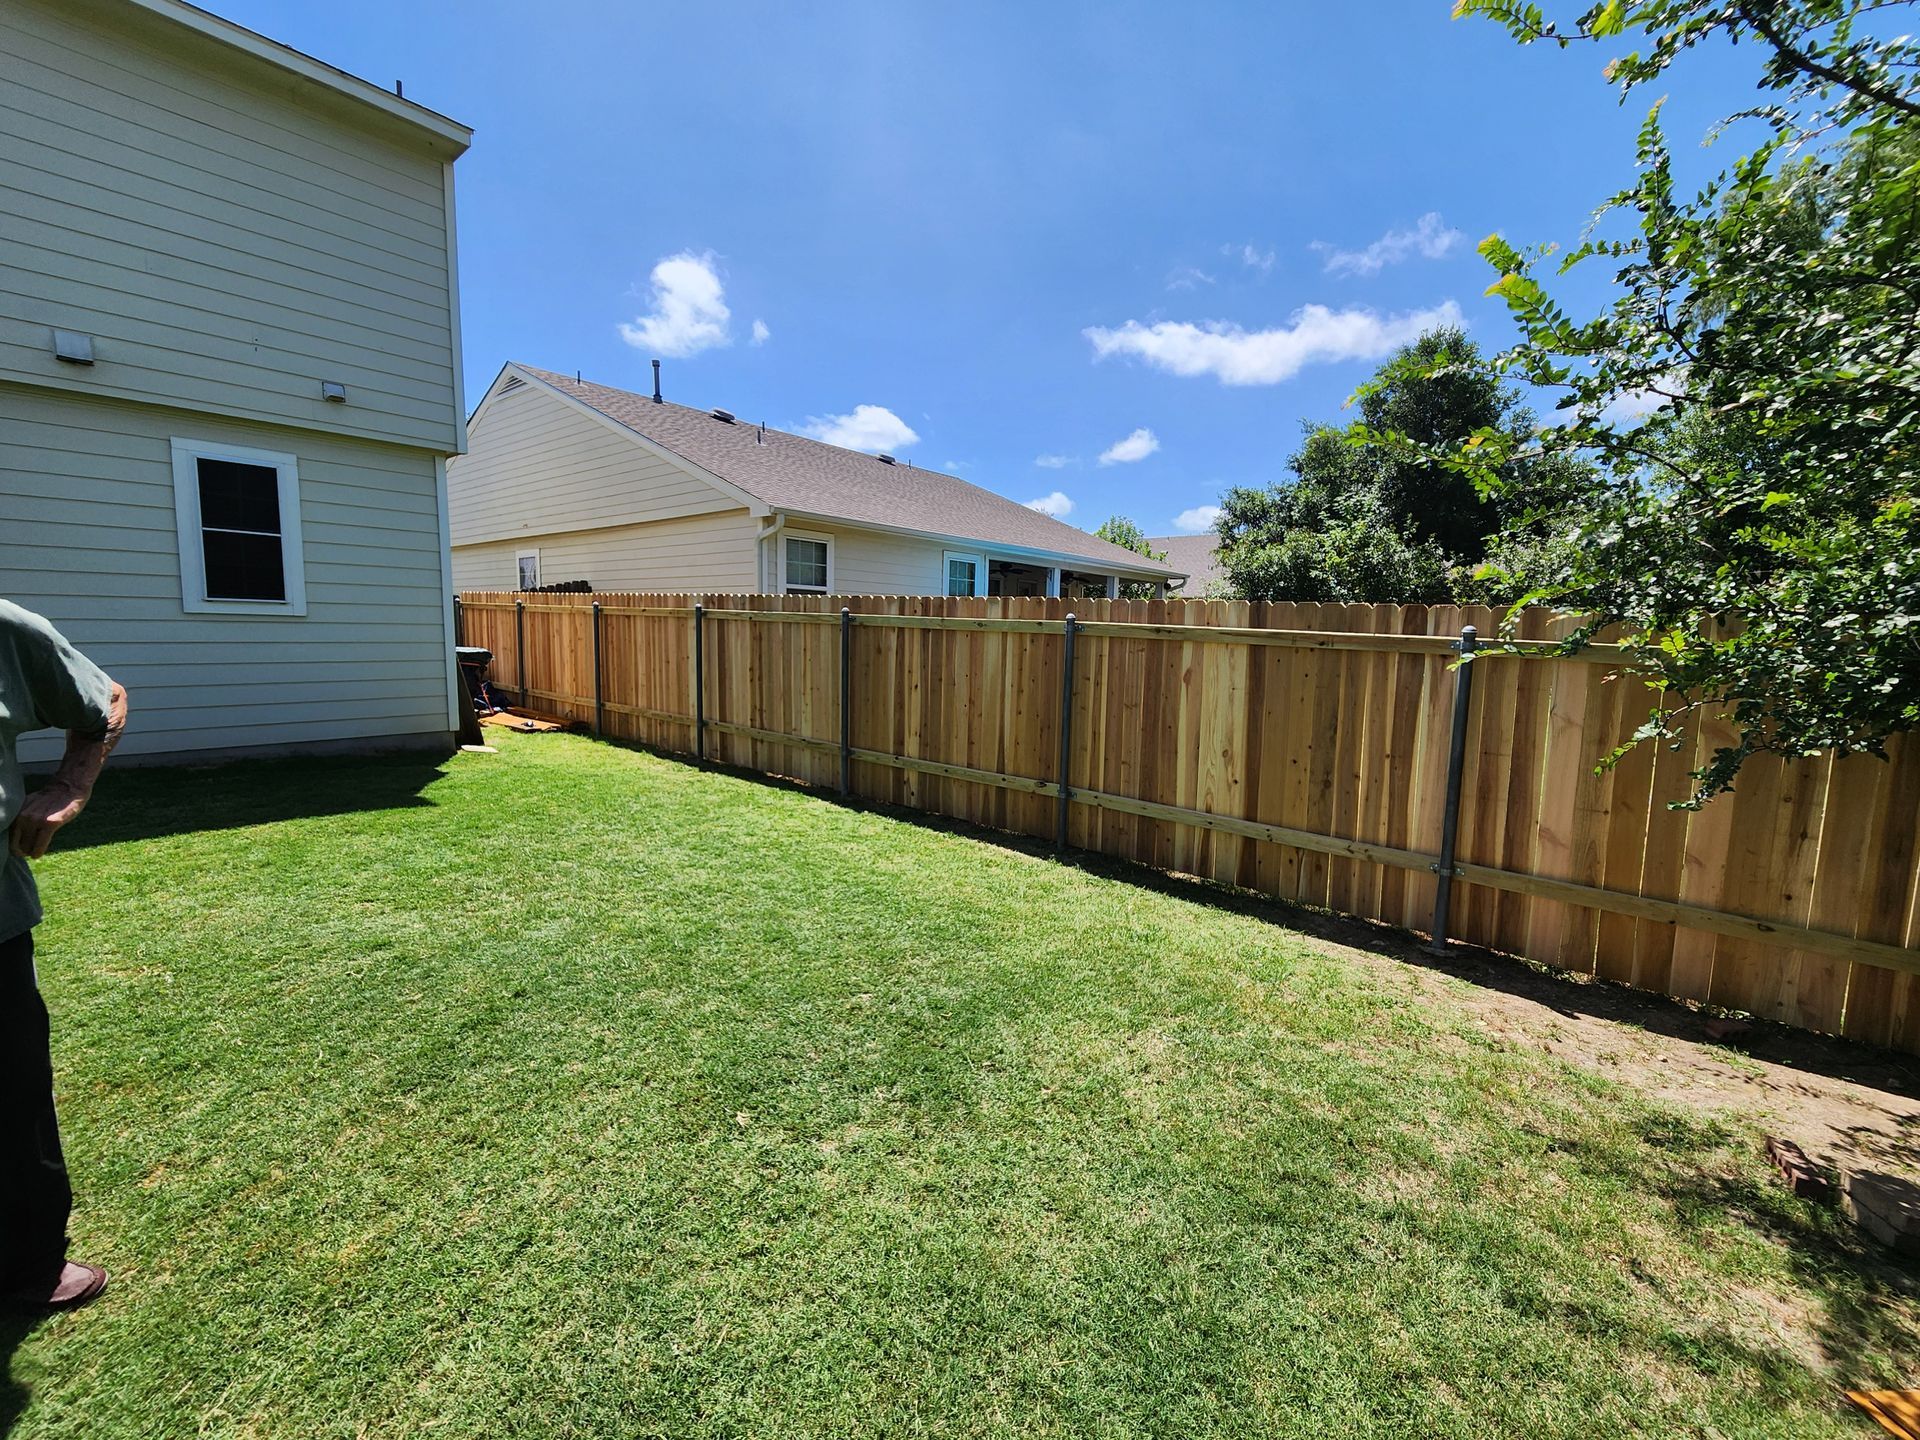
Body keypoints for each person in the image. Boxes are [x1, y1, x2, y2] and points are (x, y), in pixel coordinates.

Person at [1, 599, 127, 1311]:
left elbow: (102, 699)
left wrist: (71, 783)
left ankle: (29, 1265)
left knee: (12, 1098)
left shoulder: (7, 631)